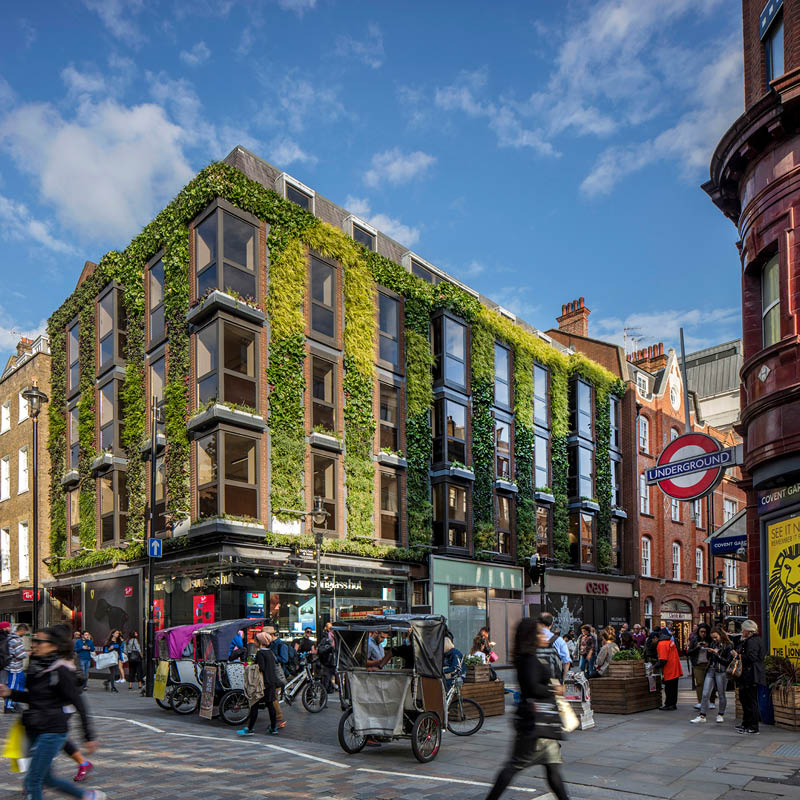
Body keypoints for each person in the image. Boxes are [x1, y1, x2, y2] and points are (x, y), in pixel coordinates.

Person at [0, 625, 105, 800]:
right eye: (34, 640)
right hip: (34, 728)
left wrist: (89, 736)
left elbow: (79, 703)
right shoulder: (36, 666)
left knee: (33, 781)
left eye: (39, 641)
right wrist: (10, 693)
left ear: (53, 646)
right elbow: (34, 698)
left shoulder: (61, 670)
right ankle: (87, 795)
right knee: (46, 779)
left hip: (52, 731)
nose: (34, 644)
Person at [485, 619, 570, 800]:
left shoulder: (529, 657)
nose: (543, 636)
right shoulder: (529, 659)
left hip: (542, 723)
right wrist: (554, 689)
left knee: (552, 770)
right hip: (534, 724)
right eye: (539, 633)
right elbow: (532, 688)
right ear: (531, 636)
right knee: (515, 765)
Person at [237, 631, 279, 737]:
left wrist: (250, 665)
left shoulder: (260, 653)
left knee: (254, 705)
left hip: (262, 683)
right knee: (270, 705)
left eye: (255, 640)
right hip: (271, 682)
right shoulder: (270, 652)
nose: (254, 642)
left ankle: (250, 729)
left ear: (260, 642)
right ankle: (273, 728)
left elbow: (261, 668)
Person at [690, 626, 733, 724]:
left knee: (721, 694)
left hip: (721, 671)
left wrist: (716, 654)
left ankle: (720, 714)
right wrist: (709, 651)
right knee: (705, 693)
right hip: (711, 669)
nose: (714, 639)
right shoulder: (713, 643)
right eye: (713, 637)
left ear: (720, 635)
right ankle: (702, 715)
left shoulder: (728, 645)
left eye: (715, 637)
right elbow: (710, 658)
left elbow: (727, 662)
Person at [737, 619, 766, 735]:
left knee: (750, 701)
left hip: (751, 675)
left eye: (743, 629)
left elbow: (752, 657)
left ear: (748, 631)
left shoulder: (752, 641)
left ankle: (753, 726)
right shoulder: (753, 640)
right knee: (745, 700)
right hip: (750, 674)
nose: (742, 631)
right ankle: (746, 724)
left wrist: (738, 655)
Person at [687, 623, 716, 710]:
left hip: (708, 665)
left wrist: (709, 647)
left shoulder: (711, 640)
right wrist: (697, 647)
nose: (703, 633)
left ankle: (711, 701)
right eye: (701, 632)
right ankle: (700, 702)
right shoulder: (694, 639)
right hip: (698, 665)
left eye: (705, 632)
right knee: (699, 684)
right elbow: (689, 652)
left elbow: (716, 651)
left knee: (711, 684)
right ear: (698, 632)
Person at [655, 625, 683, 710]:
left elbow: (663, 660)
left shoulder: (662, 644)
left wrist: (655, 666)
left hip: (669, 669)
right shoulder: (669, 641)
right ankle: (673, 704)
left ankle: (669, 704)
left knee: (669, 688)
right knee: (674, 688)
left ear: (656, 637)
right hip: (675, 668)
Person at [2, 622, 27, 712]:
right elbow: (20, 654)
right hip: (14, 668)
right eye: (25, 632)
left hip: (16, 667)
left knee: (20, 683)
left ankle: (15, 703)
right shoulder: (16, 640)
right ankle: (8, 706)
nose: (25, 634)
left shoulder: (10, 637)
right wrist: (26, 653)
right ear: (22, 630)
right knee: (12, 686)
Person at [538, 613, 571, 682]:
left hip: (535, 679)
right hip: (553, 680)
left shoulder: (531, 638)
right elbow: (566, 662)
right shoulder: (559, 640)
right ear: (551, 624)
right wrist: (563, 680)